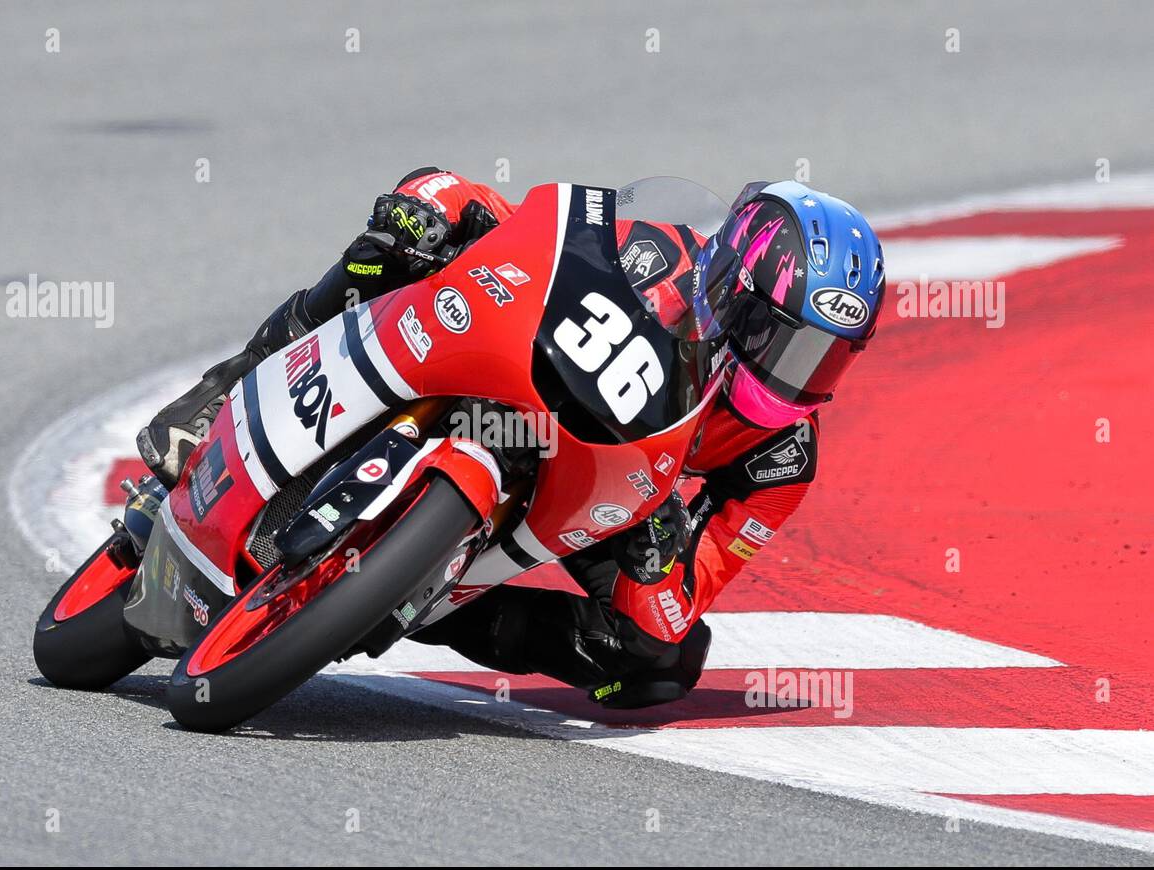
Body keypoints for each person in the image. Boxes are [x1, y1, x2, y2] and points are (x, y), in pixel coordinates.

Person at [138, 168, 886, 708]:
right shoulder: (658, 251)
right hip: (518, 363)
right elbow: (524, 231)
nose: (788, 376)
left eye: (823, 358)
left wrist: (657, 559)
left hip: (614, 493)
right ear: (733, 285)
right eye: (778, 340)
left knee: (661, 662)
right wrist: (441, 204)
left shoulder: (779, 459)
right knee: (392, 244)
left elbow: (679, 604)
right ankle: (224, 389)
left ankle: (411, 598)